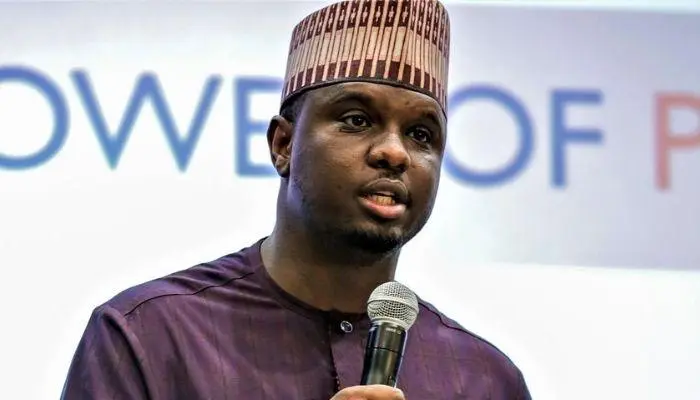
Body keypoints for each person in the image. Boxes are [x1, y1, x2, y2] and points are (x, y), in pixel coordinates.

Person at [61, 0, 531, 399]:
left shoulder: (485, 380)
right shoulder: (149, 336)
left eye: (421, 134)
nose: (394, 152)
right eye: (356, 120)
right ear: (283, 145)